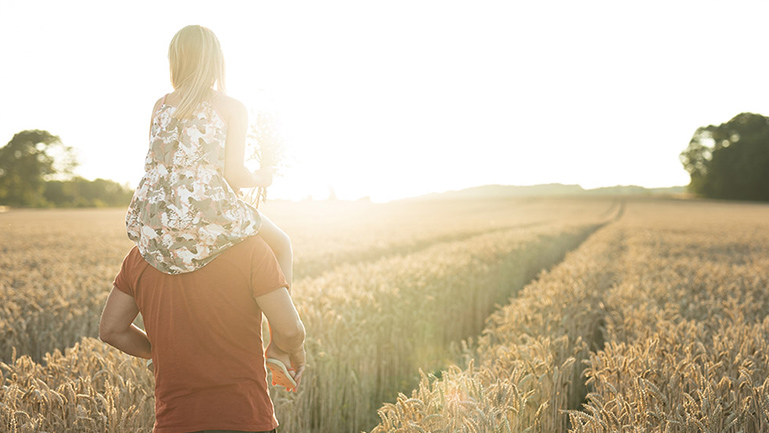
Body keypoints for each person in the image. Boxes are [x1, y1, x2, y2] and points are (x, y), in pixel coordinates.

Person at [123, 24, 294, 386]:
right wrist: (262, 176)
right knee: (282, 243)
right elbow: (233, 174)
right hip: (206, 208)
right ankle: (280, 348)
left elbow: (158, 164)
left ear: (176, 60)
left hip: (155, 216)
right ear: (216, 61)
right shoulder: (230, 106)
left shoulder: (160, 105)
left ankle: (164, 352)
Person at [100, 235, 306, 433]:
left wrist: (163, 352)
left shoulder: (141, 256)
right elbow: (289, 330)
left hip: (175, 420)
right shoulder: (249, 248)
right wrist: (294, 350)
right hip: (243, 416)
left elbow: (112, 330)